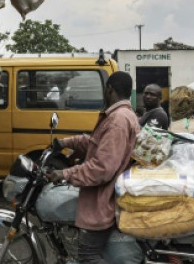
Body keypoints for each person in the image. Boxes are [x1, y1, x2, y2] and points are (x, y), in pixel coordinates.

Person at [45, 71, 139, 264]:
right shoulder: (123, 115)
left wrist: (65, 173)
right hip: (106, 194)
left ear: (109, 89)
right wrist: (65, 142)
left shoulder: (117, 121)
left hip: (103, 200)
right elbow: (97, 144)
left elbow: (102, 168)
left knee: (88, 256)